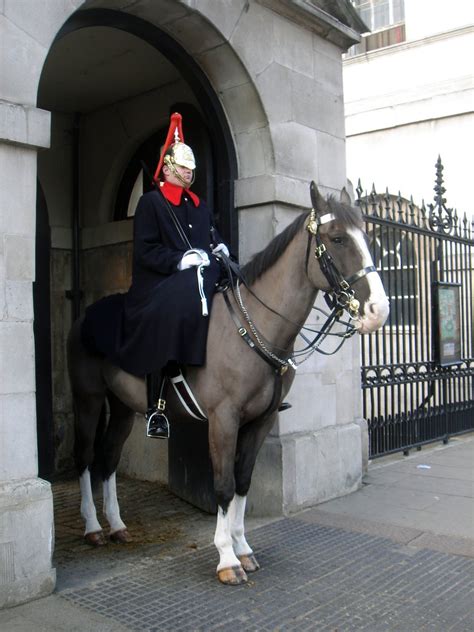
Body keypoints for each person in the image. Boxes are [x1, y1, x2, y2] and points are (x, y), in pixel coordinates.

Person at [118, 112, 230, 439]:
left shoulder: (199, 205)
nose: (189, 172)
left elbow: (213, 236)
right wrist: (180, 260)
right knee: (179, 296)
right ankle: (157, 406)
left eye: (191, 167)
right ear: (167, 168)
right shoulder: (151, 204)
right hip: (159, 283)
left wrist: (221, 249)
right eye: (183, 167)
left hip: (199, 278)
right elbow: (146, 251)